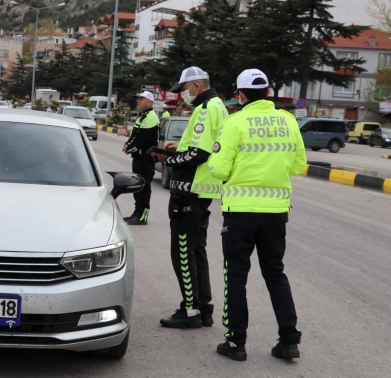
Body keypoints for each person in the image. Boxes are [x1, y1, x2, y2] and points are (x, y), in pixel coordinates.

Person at [208, 69, 306, 362]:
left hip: (240, 212)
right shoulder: (288, 120)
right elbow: (298, 164)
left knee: (237, 275)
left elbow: (220, 169)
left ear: (240, 95)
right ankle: (289, 340)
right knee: (275, 273)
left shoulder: (235, 121)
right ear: (267, 92)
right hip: (275, 212)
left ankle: (236, 343)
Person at [151, 66, 228, 329]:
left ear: (195, 85)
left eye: (183, 89)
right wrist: (178, 147)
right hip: (202, 189)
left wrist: (167, 158)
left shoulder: (206, 110)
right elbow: (198, 147)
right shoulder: (218, 106)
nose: (182, 94)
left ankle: (191, 310)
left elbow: (199, 154)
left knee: (183, 252)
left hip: (190, 188)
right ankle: (203, 308)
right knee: (196, 252)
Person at [122, 91, 159, 225]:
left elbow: (141, 139)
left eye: (142, 99)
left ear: (149, 102)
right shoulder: (142, 117)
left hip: (146, 159)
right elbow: (134, 136)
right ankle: (137, 212)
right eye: (139, 99)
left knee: (144, 187)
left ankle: (142, 216)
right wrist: (127, 144)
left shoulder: (151, 118)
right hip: (138, 158)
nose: (139, 101)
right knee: (137, 186)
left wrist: (130, 147)